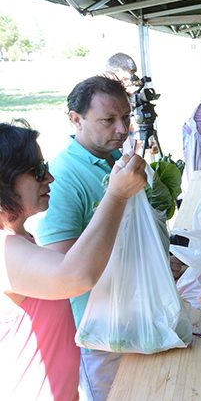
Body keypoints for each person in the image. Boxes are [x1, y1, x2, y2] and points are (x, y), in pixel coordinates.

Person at [0, 121, 146, 400]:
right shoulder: (3, 250)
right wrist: (116, 194)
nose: (49, 179)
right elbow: (75, 276)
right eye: (38, 171)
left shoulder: (18, 239)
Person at [35, 75, 143, 400]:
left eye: (126, 118)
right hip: (100, 335)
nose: (122, 129)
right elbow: (63, 268)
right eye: (108, 120)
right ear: (75, 119)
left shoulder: (114, 160)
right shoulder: (64, 178)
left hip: (132, 316)